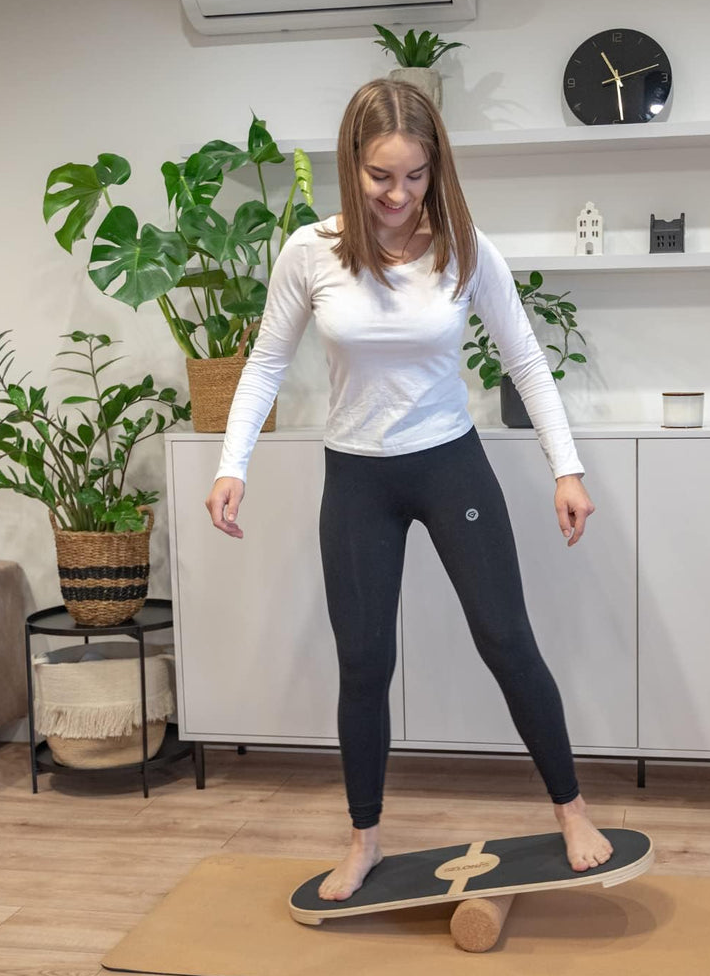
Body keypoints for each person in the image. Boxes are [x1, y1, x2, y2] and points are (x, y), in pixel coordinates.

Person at [204, 78, 613, 902]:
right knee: (363, 662)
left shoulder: (464, 245)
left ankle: (571, 809)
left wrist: (565, 467)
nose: (399, 195)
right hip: (355, 476)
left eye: (416, 176)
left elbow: (525, 358)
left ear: (437, 169)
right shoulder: (310, 252)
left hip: (448, 462)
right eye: (382, 175)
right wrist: (231, 462)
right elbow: (266, 364)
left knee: (505, 638)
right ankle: (363, 840)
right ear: (353, 163)